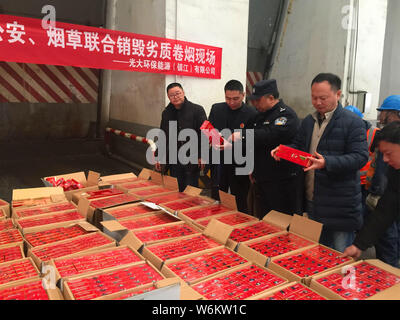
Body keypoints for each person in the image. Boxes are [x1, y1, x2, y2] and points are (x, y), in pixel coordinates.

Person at [271, 73, 369, 252]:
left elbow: (360, 157)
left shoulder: (352, 122)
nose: (317, 102)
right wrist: (284, 151)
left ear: (338, 94)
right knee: (318, 255)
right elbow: (299, 147)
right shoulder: (308, 122)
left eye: (322, 98)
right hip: (313, 200)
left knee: (341, 257)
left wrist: (327, 163)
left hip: (340, 204)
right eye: (314, 97)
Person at [225, 79, 302, 219]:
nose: (254, 104)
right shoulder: (259, 116)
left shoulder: (285, 116)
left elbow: (269, 135)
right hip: (260, 179)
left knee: (280, 221)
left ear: (271, 98)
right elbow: (253, 143)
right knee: (262, 219)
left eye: (257, 100)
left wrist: (242, 135)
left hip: (280, 181)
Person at [342, 121, 400, 268]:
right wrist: (359, 245)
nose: (385, 160)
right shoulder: (395, 171)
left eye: (388, 154)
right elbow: (385, 210)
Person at [208, 80, 257, 213]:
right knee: (216, 197)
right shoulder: (217, 109)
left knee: (239, 200)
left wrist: (233, 146)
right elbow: (209, 129)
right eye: (228, 98)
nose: (231, 102)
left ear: (243, 95)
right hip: (219, 162)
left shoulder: (252, 114)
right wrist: (212, 137)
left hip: (240, 164)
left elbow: (253, 141)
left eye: (235, 98)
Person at [155, 83, 207, 192]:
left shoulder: (197, 110)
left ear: (183, 92)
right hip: (174, 160)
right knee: (176, 190)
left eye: (178, 93)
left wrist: (202, 155)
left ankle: (191, 209)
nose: (175, 97)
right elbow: (162, 135)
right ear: (168, 97)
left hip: (192, 159)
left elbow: (204, 134)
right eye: (172, 95)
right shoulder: (167, 113)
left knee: (190, 191)